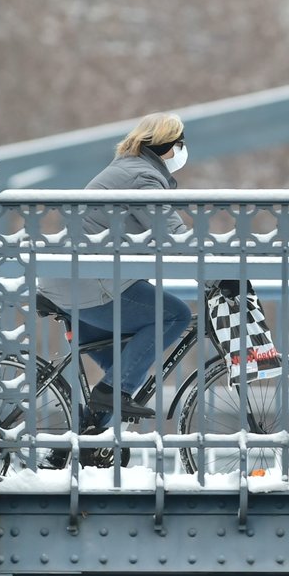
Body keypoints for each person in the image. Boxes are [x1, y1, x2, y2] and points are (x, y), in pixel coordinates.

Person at [38, 112, 193, 422]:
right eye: (179, 144)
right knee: (176, 314)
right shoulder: (143, 177)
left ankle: (83, 439)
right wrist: (225, 269)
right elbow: (175, 236)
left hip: (72, 281)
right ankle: (112, 393)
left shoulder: (129, 169)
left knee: (121, 377)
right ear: (164, 145)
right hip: (89, 282)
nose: (181, 151)